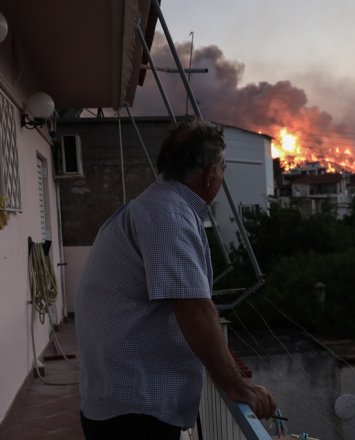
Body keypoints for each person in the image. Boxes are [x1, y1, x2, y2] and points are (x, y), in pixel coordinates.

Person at [75, 120, 276, 439]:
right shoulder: (167, 215)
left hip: (122, 402)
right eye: (222, 168)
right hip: (135, 411)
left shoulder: (156, 206)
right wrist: (237, 386)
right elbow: (195, 309)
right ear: (211, 173)